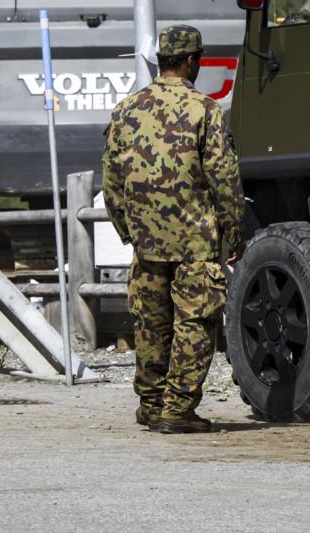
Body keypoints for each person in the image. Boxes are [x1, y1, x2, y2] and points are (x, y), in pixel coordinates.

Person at [102, 26, 243, 434]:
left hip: (146, 243)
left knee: (151, 325)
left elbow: (111, 177)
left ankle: (150, 405)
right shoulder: (205, 109)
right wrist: (233, 230)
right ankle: (178, 409)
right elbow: (223, 176)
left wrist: (128, 230)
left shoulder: (127, 109)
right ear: (192, 61)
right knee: (194, 324)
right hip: (195, 240)